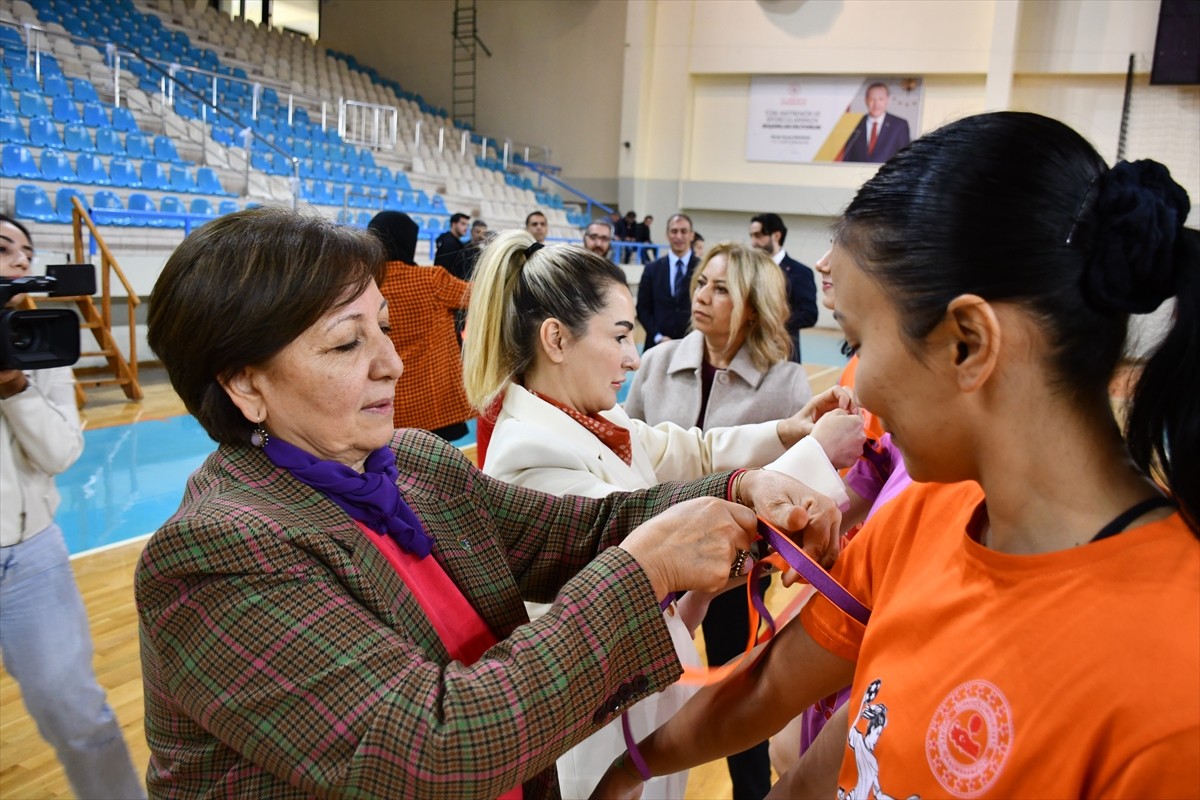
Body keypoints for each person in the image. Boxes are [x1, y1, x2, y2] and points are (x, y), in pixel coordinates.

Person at [593, 112, 1200, 799]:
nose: (861, 382)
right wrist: (628, 770)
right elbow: (791, 703)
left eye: (856, 341)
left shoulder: (1174, 685)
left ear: (967, 343)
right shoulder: (925, 516)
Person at [138, 207, 842, 798]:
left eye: (384, 327)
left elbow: (578, 528)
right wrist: (647, 567)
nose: (393, 361)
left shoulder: (410, 464)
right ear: (246, 386)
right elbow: (432, 751)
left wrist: (736, 487)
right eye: (348, 343)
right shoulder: (219, 554)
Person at [463, 232, 863, 800]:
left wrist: (785, 431)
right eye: (621, 336)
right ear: (556, 338)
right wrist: (813, 460)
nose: (633, 356)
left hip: (643, 694)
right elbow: (659, 536)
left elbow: (691, 450)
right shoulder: (529, 452)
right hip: (598, 724)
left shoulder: (598, 418)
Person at [623, 241, 860, 800]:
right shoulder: (657, 362)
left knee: (739, 691)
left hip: (735, 568)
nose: (702, 296)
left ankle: (748, 790)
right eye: (702, 283)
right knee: (646, 689)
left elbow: (791, 486)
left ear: (752, 304)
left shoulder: (786, 383)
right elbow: (634, 455)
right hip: (656, 553)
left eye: (721, 288)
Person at [0, 214, 145, 799]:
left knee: (78, 716)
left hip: (27, 561)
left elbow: (61, 450)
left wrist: (13, 387)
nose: (18, 260)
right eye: (3, 247)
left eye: (25, 251)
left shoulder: (41, 345)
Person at [367, 210, 473, 442]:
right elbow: (480, 296)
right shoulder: (431, 280)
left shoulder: (363, 285)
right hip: (435, 404)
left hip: (385, 404)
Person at [749, 213, 818, 363]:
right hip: (750, 352)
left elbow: (809, 315)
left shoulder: (800, 272)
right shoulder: (749, 271)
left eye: (758, 235)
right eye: (751, 236)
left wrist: (771, 321)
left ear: (776, 235)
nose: (753, 242)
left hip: (784, 353)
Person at [636, 213, 697, 350]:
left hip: (692, 347)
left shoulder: (703, 269)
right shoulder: (652, 269)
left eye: (684, 231)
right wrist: (658, 336)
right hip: (656, 346)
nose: (679, 236)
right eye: (674, 231)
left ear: (692, 235)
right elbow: (642, 308)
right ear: (667, 235)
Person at [841, 82, 911, 164]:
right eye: (872, 99)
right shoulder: (854, 124)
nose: (876, 104)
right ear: (866, 100)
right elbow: (847, 158)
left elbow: (905, 159)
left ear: (888, 100)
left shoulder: (899, 125)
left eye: (881, 99)